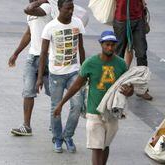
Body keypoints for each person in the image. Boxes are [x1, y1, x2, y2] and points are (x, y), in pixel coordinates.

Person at [53, 31, 134, 165]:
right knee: (96, 147)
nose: (110, 48)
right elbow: (76, 85)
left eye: (113, 45)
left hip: (112, 113)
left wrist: (129, 92)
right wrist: (61, 104)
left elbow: (130, 88)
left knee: (105, 145)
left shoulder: (121, 64)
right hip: (94, 112)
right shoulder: (90, 63)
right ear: (101, 44)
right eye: (107, 44)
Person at [36, 0, 86, 153]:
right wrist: (39, 77)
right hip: (56, 74)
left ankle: (68, 136)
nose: (71, 11)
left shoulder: (78, 23)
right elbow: (43, 53)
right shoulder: (50, 27)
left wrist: (84, 71)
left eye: (72, 8)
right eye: (67, 8)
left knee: (77, 106)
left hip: (74, 73)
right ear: (59, 9)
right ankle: (57, 138)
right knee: (55, 107)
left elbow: (81, 48)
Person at [9, 0, 52, 136]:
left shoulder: (46, 7)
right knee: (28, 91)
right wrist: (16, 53)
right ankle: (26, 126)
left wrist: (40, 1)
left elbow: (28, 9)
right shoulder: (31, 11)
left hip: (49, 57)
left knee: (54, 92)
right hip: (32, 57)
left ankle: (55, 124)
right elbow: (29, 33)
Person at [113, 0, 152, 100]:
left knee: (142, 53)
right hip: (121, 19)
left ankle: (142, 89)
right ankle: (116, 86)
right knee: (118, 55)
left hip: (138, 18)